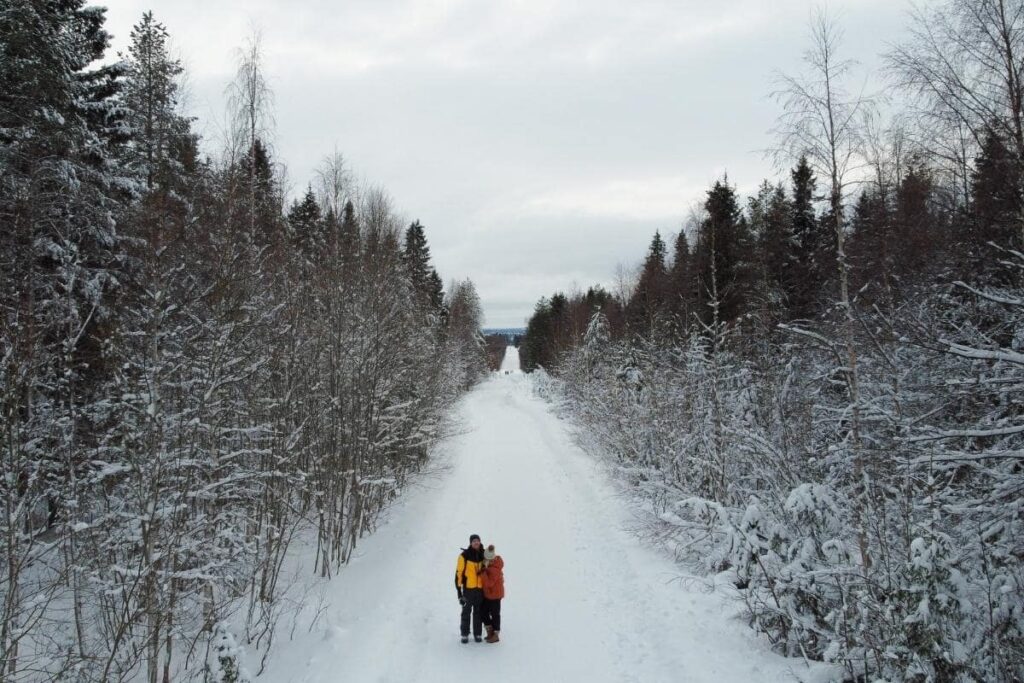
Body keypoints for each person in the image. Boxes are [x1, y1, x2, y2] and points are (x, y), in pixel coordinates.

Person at [455, 534, 485, 643]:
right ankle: (464, 634)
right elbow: (459, 574)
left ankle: (478, 634)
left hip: (480, 589)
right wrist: (459, 593)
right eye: (474, 541)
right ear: (470, 543)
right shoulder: (464, 555)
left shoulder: (484, 554)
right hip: (468, 589)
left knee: (478, 612)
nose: (476, 543)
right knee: (466, 611)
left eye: (478, 541)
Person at [480, 544, 504, 643]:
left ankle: (496, 634)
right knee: (483, 612)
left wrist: (482, 573)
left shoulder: (495, 569)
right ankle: (490, 631)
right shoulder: (489, 565)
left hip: (495, 595)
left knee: (495, 614)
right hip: (488, 595)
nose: (484, 560)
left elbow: (489, 583)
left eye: (486, 558)